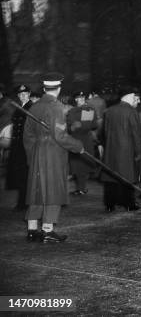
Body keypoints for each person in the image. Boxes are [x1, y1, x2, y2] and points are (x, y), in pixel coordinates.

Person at [22, 73, 84, 243]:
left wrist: (31, 157)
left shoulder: (34, 107)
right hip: (53, 155)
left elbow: (27, 136)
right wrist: (78, 146)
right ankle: (48, 230)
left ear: (44, 88)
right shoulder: (56, 107)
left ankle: (32, 229)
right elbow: (60, 135)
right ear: (58, 88)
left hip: (36, 154)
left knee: (36, 191)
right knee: (52, 191)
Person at [100, 85, 141, 212]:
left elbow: (105, 132)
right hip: (127, 151)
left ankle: (109, 204)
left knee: (111, 177)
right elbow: (137, 134)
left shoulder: (109, 111)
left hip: (111, 150)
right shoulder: (132, 112)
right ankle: (129, 203)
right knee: (128, 178)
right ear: (130, 96)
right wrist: (138, 152)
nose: (138, 101)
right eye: (136, 98)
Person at [66, 91, 98, 196]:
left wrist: (80, 125)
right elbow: (70, 127)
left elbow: (94, 125)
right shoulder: (72, 111)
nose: (82, 99)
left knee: (83, 164)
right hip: (77, 140)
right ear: (76, 99)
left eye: (83, 97)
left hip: (84, 139)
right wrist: (75, 126)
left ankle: (81, 188)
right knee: (77, 165)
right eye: (79, 97)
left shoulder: (89, 109)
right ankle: (80, 188)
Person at [6, 84, 32, 211]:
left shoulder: (31, 107)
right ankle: (22, 202)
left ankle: (24, 203)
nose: (22, 95)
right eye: (20, 94)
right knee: (19, 175)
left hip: (26, 146)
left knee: (25, 175)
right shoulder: (18, 108)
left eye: (25, 93)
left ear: (29, 94)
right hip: (17, 146)